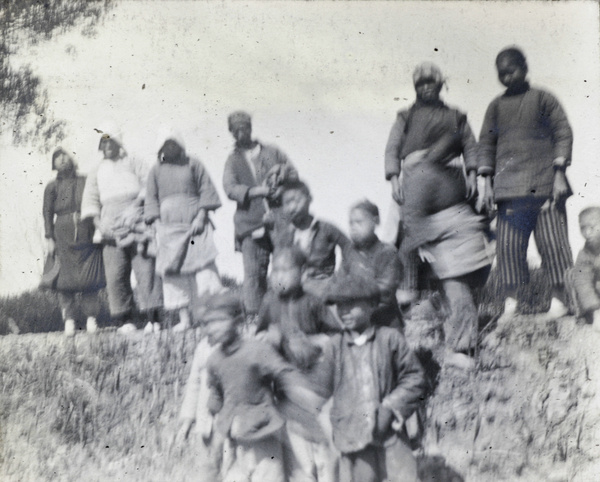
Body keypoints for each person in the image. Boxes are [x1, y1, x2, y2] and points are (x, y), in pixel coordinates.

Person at [384, 62, 491, 368]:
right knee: (399, 234)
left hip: (447, 173)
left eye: (432, 82)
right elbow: (392, 148)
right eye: (421, 84)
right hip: (413, 176)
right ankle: (407, 293)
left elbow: (470, 145)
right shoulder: (405, 116)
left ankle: (448, 306)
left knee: (457, 239)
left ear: (441, 84)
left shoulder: (455, 115)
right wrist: (394, 179)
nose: (427, 87)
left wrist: (472, 173)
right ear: (415, 88)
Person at [478, 47, 574, 324]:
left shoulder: (543, 99)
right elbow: (486, 143)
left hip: (544, 184)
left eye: (512, 70)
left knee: (553, 244)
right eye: (502, 73)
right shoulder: (495, 107)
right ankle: (511, 305)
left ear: (525, 67)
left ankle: (559, 302)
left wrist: (559, 173)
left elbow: (562, 132)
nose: (507, 77)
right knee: (508, 248)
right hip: (508, 191)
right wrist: (486, 185)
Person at [201, 291, 325, 482]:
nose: (212, 328)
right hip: (234, 437)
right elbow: (217, 395)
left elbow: (283, 372)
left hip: (263, 433)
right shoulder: (214, 361)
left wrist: (305, 395)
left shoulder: (257, 350)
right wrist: (213, 424)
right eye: (208, 323)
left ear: (238, 321)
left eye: (219, 321)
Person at [322, 273, 426, 482]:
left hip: (390, 434)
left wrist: (391, 407)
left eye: (351, 304)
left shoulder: (389, 339)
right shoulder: (334, 347)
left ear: (371, 304)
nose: (344, 312)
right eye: (339, 306)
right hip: (352, 438)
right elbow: (320, 392)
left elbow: (415, 378)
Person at [256, 247, 340, 482]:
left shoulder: (313, 302)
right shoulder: (269, 302)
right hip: (284, 386)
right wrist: (269, 340)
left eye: (285, 270)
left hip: (315, 382)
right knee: (297, 455)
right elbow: (259, 338)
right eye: (275, 270)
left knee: (323, 448)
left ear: (303, 272)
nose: (278, 275)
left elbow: (335, 338)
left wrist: (311, 342)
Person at [81, 126, 162, 334]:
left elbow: (150, 183)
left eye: (111, 142)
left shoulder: (133, 161)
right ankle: (125, 320)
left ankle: (153, 319)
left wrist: (135, 207)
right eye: (104, 142)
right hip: (110, 225)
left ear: (118, 143)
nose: (108, 146)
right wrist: (100, 225)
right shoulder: (96, 169)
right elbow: (90, 200)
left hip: (137, 220)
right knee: (116, 273)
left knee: (146, 269)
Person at [222, 110, 297, 322]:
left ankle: (288, 312)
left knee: (285, 264)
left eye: (243, 128)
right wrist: (257, 192)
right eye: (235, 130)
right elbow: (229, 188)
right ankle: (256, 317)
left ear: (250, 128)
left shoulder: (272, 151)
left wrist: (283, 178)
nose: (239, 133)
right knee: (254, 272)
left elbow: (293, 173)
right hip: (249, 221)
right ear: (231, 133)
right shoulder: (232, 161)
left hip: (280, 217)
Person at [145, 134, 223, 332]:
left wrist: (201, 216)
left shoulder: (193, 163)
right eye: (165, 144)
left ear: (180, 144)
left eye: (173, 143)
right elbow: (151, 199)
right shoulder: (155, 171)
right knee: (173, 273)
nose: (169, 148)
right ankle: (185, 319)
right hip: (168, 229)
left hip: (196, 225)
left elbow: (206, 189)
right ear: (160, 148)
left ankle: (210, 318)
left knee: (204, 270)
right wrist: (156, 225)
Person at [42, 147, 105, 336]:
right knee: (63, 280)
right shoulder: (51, 187)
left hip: (85, 232)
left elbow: (96, 201)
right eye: (56, 157)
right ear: (53, 165)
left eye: (64, 155)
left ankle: (91, 318)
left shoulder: (85, 180)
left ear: (71, 158)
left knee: (89, 277)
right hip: (61, 234)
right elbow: (46, 213)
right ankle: (69, 320)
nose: (61, 159)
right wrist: (49, 238)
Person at [279, 179, 351, 298]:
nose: (292, 208)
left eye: (296, 201)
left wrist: (341, 276)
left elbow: (349, 248)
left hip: (323, 286)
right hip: (296, 290)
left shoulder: (326, 228)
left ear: (309, 199)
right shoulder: (284, 236)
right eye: (287, 203)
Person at [342, 199, 403, 330]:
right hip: (357, 321)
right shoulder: (349, 253)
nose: (353, 227)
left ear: (375, 221)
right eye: (350, 223)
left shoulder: (387, 252)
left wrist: (355, 294)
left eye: (359, 222)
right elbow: (339, 281)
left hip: (385, 321)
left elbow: (386, 289)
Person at [564, 207, 600, 330]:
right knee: (572, 274)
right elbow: (583, 281)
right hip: (595, 297)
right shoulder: (584, 253)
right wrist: (596, 310)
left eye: (591, 227)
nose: (587, 233)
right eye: (583, 228)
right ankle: (585, 314)